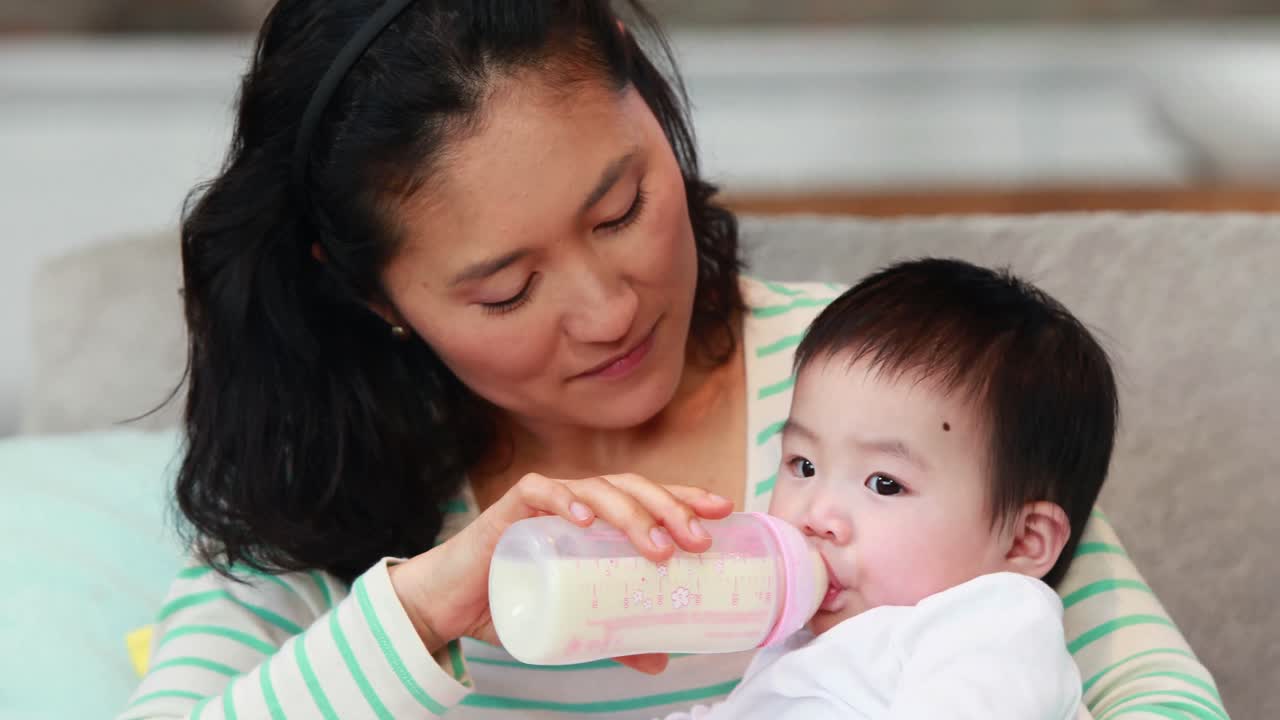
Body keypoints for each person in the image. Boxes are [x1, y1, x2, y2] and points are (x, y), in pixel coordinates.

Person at [118, 2, 1227, 719]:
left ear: (655, 112)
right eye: (505, 289)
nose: (606, 311)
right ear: (372, 294)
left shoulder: (880, 385)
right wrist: (425, 610)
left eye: (620, 209)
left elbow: (1153, 696)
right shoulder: (323, 481)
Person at [662, 258, 1111, 719]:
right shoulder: (805, 642)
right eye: (804, 464)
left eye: (884, 484)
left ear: (1022, 541)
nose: (816, 515)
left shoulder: (993, 626)